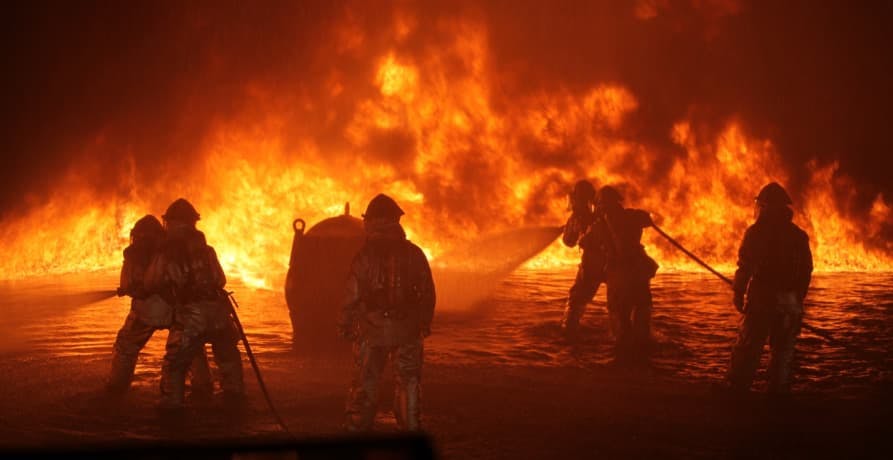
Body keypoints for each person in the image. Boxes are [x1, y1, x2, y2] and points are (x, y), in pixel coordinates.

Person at [339, 194, 436, 432]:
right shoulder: (415, 254)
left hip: (372, 331)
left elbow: (351, 295)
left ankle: (358, 431)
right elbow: (428, 292)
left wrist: (344, 325)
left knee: (366, 380)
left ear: (373, 221)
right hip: (408, 330)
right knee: (409, 381)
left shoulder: (364, 256)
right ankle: (411, 430)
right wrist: (424, 323)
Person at [144, 199, 244, 409]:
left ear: (170, 222)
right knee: (228, 358)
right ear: (193, 222)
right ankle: (236, 406)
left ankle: (172, 415)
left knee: (176, 365)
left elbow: (151, 282)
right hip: (219, 312)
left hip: (192, 316)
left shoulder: (167, 251)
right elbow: (220, 280)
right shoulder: (208, 250)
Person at [106, 215, 212, 395]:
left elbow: (129, 284)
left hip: (146, 312)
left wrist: (130, 289)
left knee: (126, 346)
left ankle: (117, 386)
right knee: (191, 347)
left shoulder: (133, 253)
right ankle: (203, 387)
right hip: (175, 310)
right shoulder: (172, 249)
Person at [725, 182, 813, 397]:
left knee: (749, 347)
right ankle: (777, 394)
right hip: (790, 303)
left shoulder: (756, 233)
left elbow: (745, 266)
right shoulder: (798, 235)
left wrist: (738, 292)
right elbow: (806, 271)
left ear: (764, 206)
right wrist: (797, 298)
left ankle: (737, 390)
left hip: (762, 300)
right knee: (783, 352)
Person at [589, 186, 657, 361]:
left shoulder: (599, 225)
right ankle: (644, 346)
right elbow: (648, 219)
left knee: (620, 313)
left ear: (601, 204)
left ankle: (624, 351)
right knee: (642, 307)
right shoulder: (633, 216)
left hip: (619, 274)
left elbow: (584, 242)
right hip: (638, 271)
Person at [560, 180, 607, 337]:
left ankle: (569, 333)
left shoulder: (576, 217)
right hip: (612, 262)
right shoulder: (602, 213)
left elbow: (569, 242)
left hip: (592, 264)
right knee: (620, 305)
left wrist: (568, 230)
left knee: (576, 300)